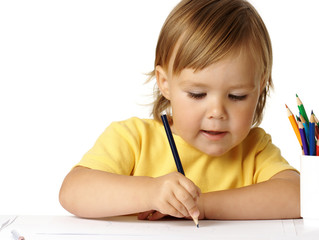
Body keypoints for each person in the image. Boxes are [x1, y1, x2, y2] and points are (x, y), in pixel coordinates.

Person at [59, 0, 300, 221]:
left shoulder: (254, 149)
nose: (217, 112)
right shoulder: (133, 139)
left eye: (237, 96)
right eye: (197, 94)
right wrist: (150, 192)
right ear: (165, 83)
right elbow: (73, 191)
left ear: (260, 88)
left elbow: (299, 196)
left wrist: (203, 205)